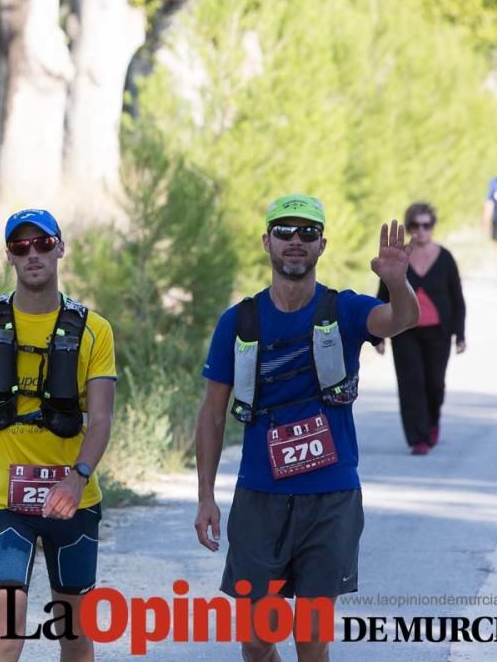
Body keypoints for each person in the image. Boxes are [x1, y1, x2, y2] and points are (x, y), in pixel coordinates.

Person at [193, 194, 419, 662]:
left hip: (330, 498)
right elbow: (212, 412)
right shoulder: (239, 321)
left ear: (322, 246)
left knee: (311, 638)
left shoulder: (346, 310)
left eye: (308, 233)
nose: (295, 241)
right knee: (256, 642)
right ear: (266, 242)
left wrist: (397, 282)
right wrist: (205, 495)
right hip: (259, 497)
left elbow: (401, 319)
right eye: (284, 231)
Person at [0, 208, 117, 662]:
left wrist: (77, 478)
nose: (32, 253)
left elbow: (101, 419)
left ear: (60, 248)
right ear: (10, 257)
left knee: (74, 633)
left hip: (72, 500)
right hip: (4, 501)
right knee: (7, 629)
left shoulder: (95, 331)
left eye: (42, 243)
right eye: (21, 246)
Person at [376, 202, 466, 455]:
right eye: (416, 225)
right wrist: (378, 335)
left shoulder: (445, 258)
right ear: (409, 228)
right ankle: (419, 438)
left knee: (435, 384)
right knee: (410, 383)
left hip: (439, 331)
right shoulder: (398, 258)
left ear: (433, 227)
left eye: (427, 225)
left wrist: (460, 334)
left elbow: (457, 298)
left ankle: (433, 420)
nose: (422, 230)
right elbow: (383, 295)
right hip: (404, 331)